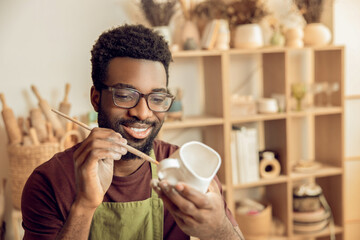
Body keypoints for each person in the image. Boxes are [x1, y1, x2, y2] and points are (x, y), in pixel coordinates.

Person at [21, 24, 244, 240]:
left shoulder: (189, 171)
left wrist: (219, 230)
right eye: (126, 95)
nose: (143, 113)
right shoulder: (48, 182)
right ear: (96, 98)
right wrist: (84, 204)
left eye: (157, 99)